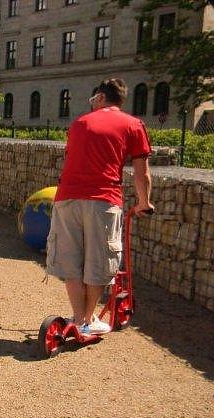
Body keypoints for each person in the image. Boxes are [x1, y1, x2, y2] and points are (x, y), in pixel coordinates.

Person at [46, 78, 154, 336]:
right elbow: (143, 174)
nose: (92, 101)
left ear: (103, 98)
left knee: (72, 260)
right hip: (103, 199)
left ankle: (78, 316)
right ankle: (87, 319)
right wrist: (144, 203)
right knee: (99, 261)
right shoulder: (133, 125)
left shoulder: (80, 123)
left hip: (66, 197)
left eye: (95, 97)